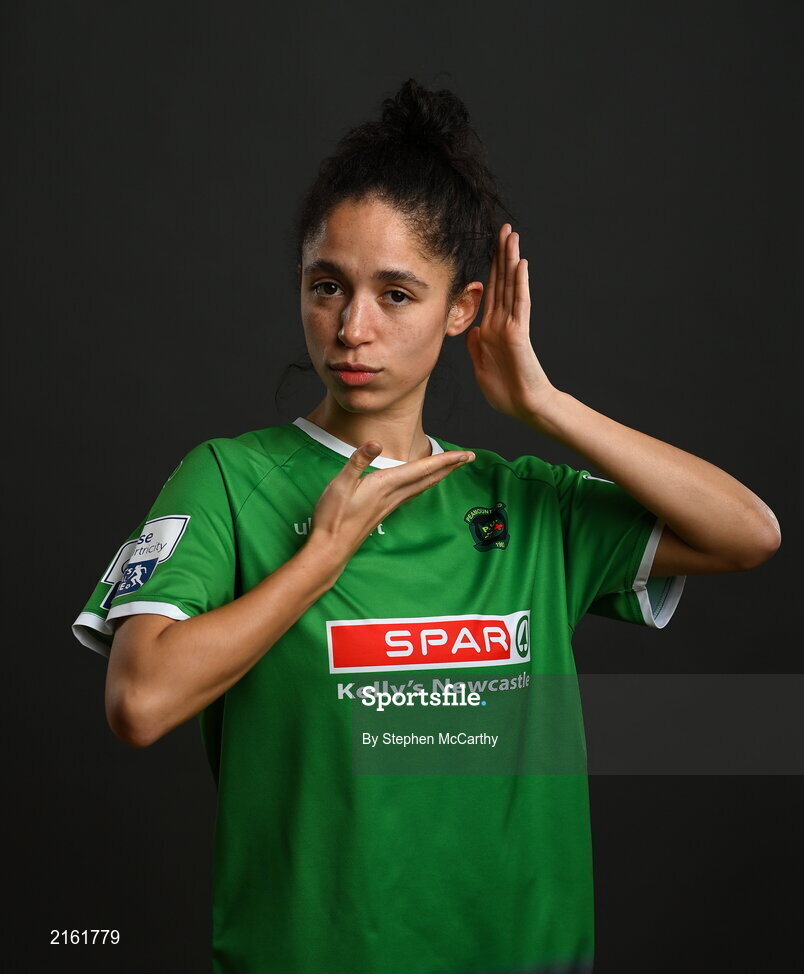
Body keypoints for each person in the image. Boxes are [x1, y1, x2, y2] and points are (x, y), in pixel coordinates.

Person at [72, 78, 780, 974]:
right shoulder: (227, 480)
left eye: (397, 294)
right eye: (328, 285)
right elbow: (138, 704)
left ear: (464, 309)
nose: (352, 327)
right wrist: (317, 561)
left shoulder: (522, 501)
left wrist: (546, 405)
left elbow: (747, 533)